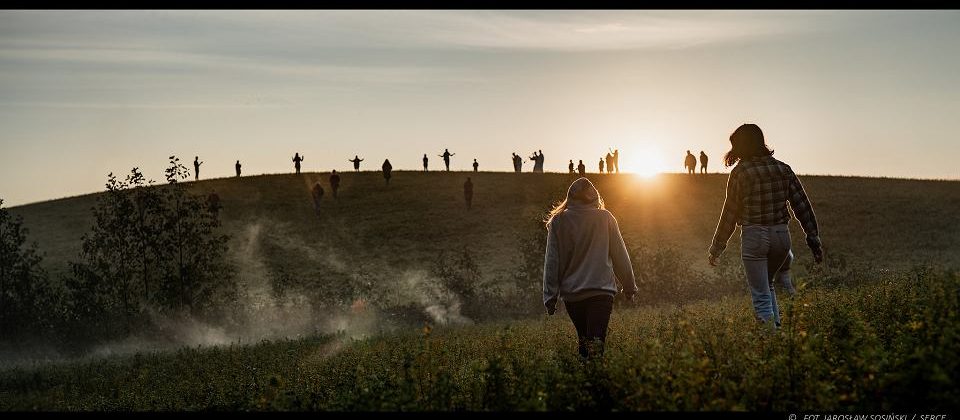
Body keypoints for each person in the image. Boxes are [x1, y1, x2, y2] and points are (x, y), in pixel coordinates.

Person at [708, 124, 823, 329]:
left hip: (754, 236)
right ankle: (776, 329)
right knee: (767, 285)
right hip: (781, 236)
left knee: (760, 296)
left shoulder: (740, 173)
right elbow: (802, 206)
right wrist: (813, 238)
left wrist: (717, 248)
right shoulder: (783, 168)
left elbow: (730, 213)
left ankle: (770, 342)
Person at [543, 177, 637, 360]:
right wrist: (629, 287)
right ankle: (594, 384)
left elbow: (552, 262)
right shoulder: (605, 218)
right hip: (600, 293)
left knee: (586, 343)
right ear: (594, 197)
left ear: (570, 197)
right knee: (595, 346)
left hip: (572, 296)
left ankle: (584, 383)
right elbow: (620, 255)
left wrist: (550, 296)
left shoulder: (558, 221)